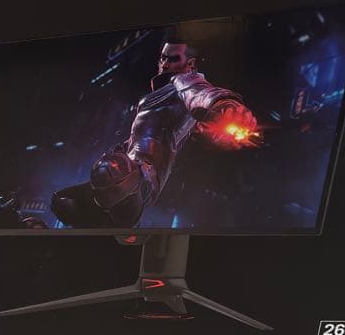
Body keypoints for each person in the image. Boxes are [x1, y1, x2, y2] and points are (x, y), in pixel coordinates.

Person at [51, 39, 259, 227]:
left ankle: (118, 222)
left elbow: (201, 93)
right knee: (60, 201)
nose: (165, 63)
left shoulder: (183, 82)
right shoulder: (164, 94)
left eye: (173, 59)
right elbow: (142, 137)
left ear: (190, 64)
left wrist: (226, 106)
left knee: (107, 172)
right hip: (132, 176)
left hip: (139, 178)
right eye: (162, 58)